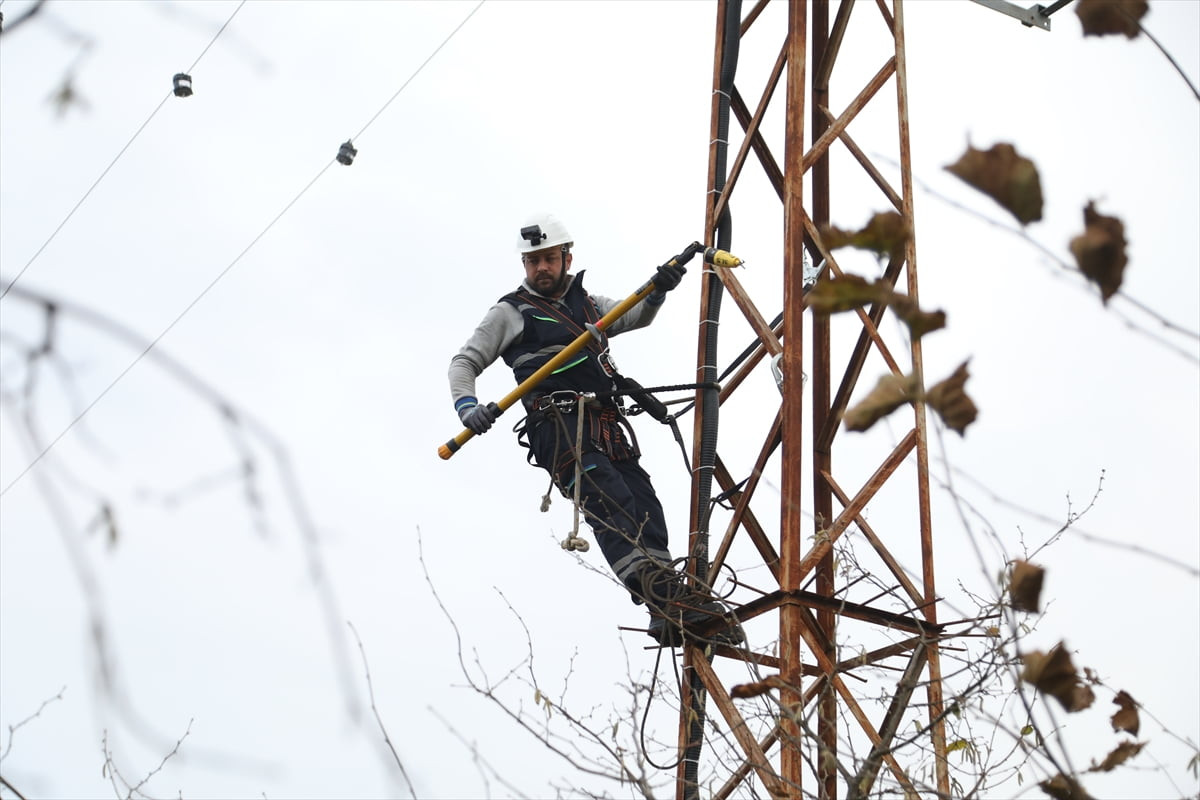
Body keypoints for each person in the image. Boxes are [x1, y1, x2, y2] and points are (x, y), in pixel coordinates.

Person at [447, 213, 742, 648]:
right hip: (559, 424)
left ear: (567, 258)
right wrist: (467, 406)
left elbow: (636, 315)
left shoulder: (588, 305)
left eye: (549, 259)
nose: (541, 269)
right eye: (533, 262)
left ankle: (666, 603)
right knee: (608, 498)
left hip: (604, 421)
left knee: (644, 503)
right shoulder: (510, 312)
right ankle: (661, 596)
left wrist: (659, 290)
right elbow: (464, 362)